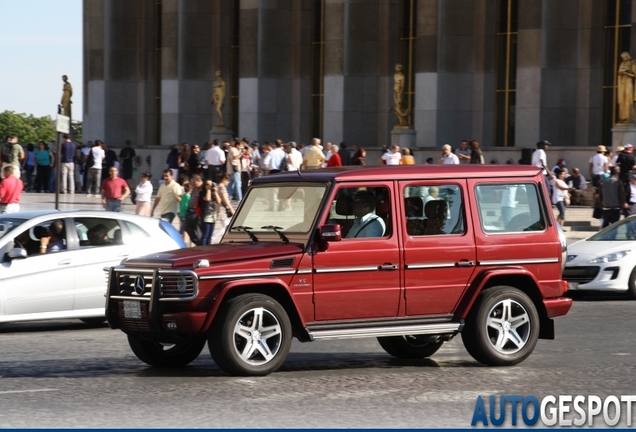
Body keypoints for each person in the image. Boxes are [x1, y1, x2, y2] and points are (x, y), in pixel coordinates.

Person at [199, 179, 221, 245]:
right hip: (206, 217)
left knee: (209, 236)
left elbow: (219, 201)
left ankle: (208, 248)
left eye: (211, 184)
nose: (210, 186)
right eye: (207, 184)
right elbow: (208, 199)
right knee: (205, 235)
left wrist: (216, 191)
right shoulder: (202, 193)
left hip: (213, 216)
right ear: (204, 185)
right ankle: (202, 249)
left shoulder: (213, 192)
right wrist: (208, 189)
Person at [617, 51, 636, 123]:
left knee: (628, 100)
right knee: (622, 100)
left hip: (628, 82)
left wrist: (625, 73)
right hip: (622, 83)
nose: (623, 58)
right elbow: (619, 73)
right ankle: (623, 117)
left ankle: (629, 118)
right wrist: (621, 72)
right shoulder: (622, 64)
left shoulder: (632, 64)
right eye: (622, 57)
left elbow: (634, 75)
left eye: (624, 57)